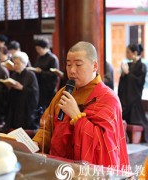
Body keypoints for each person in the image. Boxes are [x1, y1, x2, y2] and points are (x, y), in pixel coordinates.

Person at [32, 41, 129, 169]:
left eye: (78, 64)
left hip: (87, 171)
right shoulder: (63, 92)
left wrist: (76, 116)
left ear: (94, 66)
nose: (72, 70)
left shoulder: (108, 98)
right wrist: (34, 144)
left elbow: (104, 146)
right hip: (57, 166)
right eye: (68, 64)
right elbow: (47, 128)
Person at [118, 43, 148, 142]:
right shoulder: (129, 65)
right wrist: (123, 74)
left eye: (128, 52)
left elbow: (138, 82)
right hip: (126, 98)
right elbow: (124, 83)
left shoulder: (142, 66)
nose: (126, 54)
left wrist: (127, 73)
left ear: (135, 53)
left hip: (134, 100)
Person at [5, 51, 39, 130]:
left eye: (18, 63)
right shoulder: (14, 75)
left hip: (25, 108)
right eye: (14, 63)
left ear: (24, 63)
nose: (15, 66)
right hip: (15, 106)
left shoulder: (30, 75)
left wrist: (22, 88)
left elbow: (34, 92)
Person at [33, 39, 59, 109]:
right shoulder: (39, 57)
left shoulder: (52, 58)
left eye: (39, 48)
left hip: (48, 88)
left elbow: (54, 74)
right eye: (36, 49)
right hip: (40, 85)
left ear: (44, 48)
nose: (37, 51)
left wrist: (41, 72)